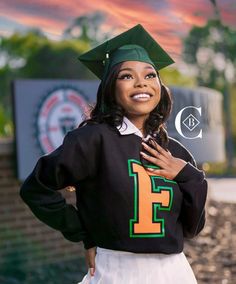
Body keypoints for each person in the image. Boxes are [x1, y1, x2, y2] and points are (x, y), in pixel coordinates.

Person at [20, 24, 208, 284]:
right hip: (118, 271)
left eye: (150, 75)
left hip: (175, 271)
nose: (141, 82)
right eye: (127, 76)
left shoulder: (176, 151)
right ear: (110, 87)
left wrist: (189, 176)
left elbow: (192, 228)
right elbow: (36, 189)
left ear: (160, 86)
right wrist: (83, 232)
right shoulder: (93, 140)